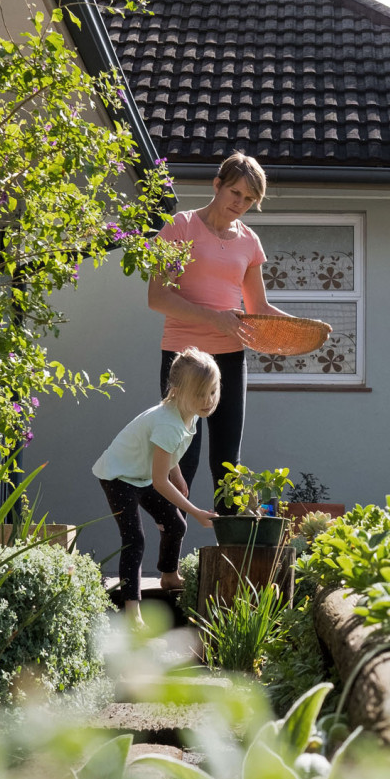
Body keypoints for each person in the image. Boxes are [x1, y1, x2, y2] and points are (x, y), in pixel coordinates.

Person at [147, 151, 290, 511]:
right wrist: (216, 319)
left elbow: (257, 309)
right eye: (235, 193)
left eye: (249, 199)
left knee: (228, 464)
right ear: (217, 185)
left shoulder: (249, 241)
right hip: (183, 359)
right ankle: (169, 568)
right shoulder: (180, 227)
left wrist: (293, 330)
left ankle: (229, 561)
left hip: (229, 358)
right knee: (183, 460)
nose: (240, 204)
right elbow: (157, 297)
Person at [92, 348, 220, 616]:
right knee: (134, 539)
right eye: (200, 393)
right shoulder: (168, 423)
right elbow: (161, 482)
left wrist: (179, 474)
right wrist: (196, 512)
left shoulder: (190, 411)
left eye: (212, 391)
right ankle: (132, 609)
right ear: (176, 390)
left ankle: (169, 575)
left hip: (143, 475)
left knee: (175, 523)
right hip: (118, 476)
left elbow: (165, 455)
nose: (208, 400)